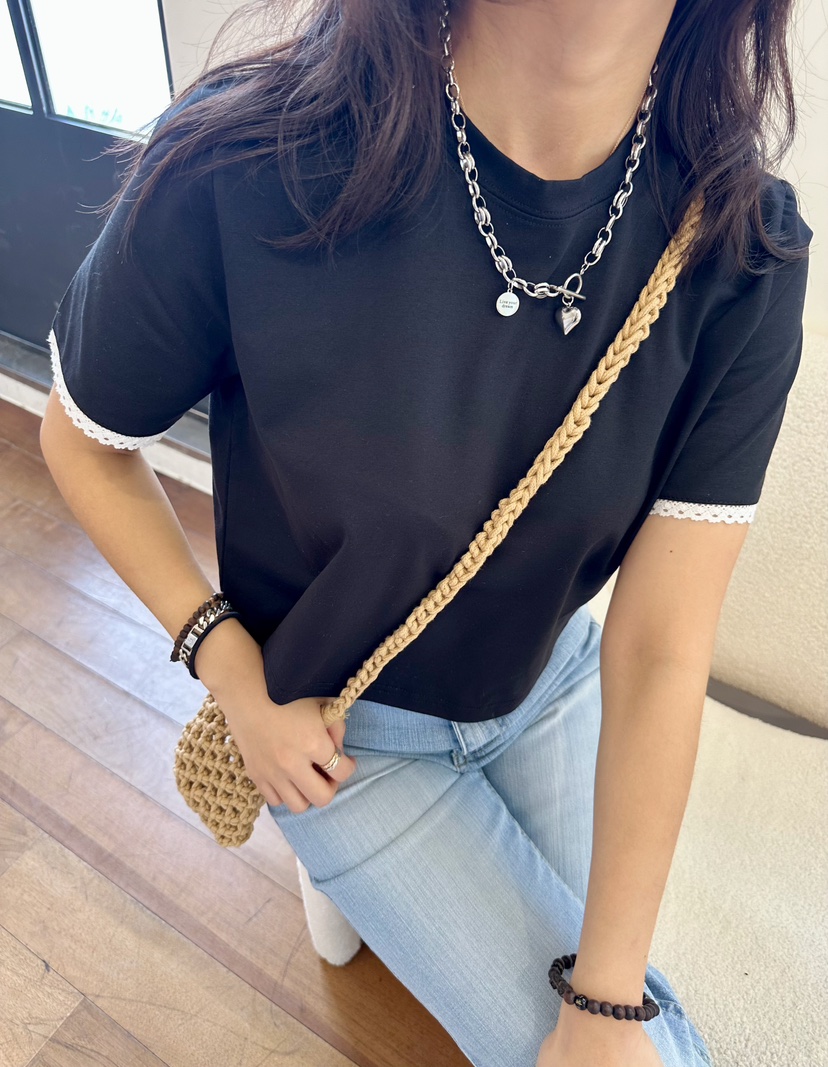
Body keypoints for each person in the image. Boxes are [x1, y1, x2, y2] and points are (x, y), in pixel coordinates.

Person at [39, 1, 811, 1065]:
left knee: (623, 1025)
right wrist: (231, 672)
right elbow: (83, 441)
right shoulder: (253, 161)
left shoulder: (738, 249)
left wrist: (608, 999)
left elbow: (661, 643)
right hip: (341, 732)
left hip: (547, 682)